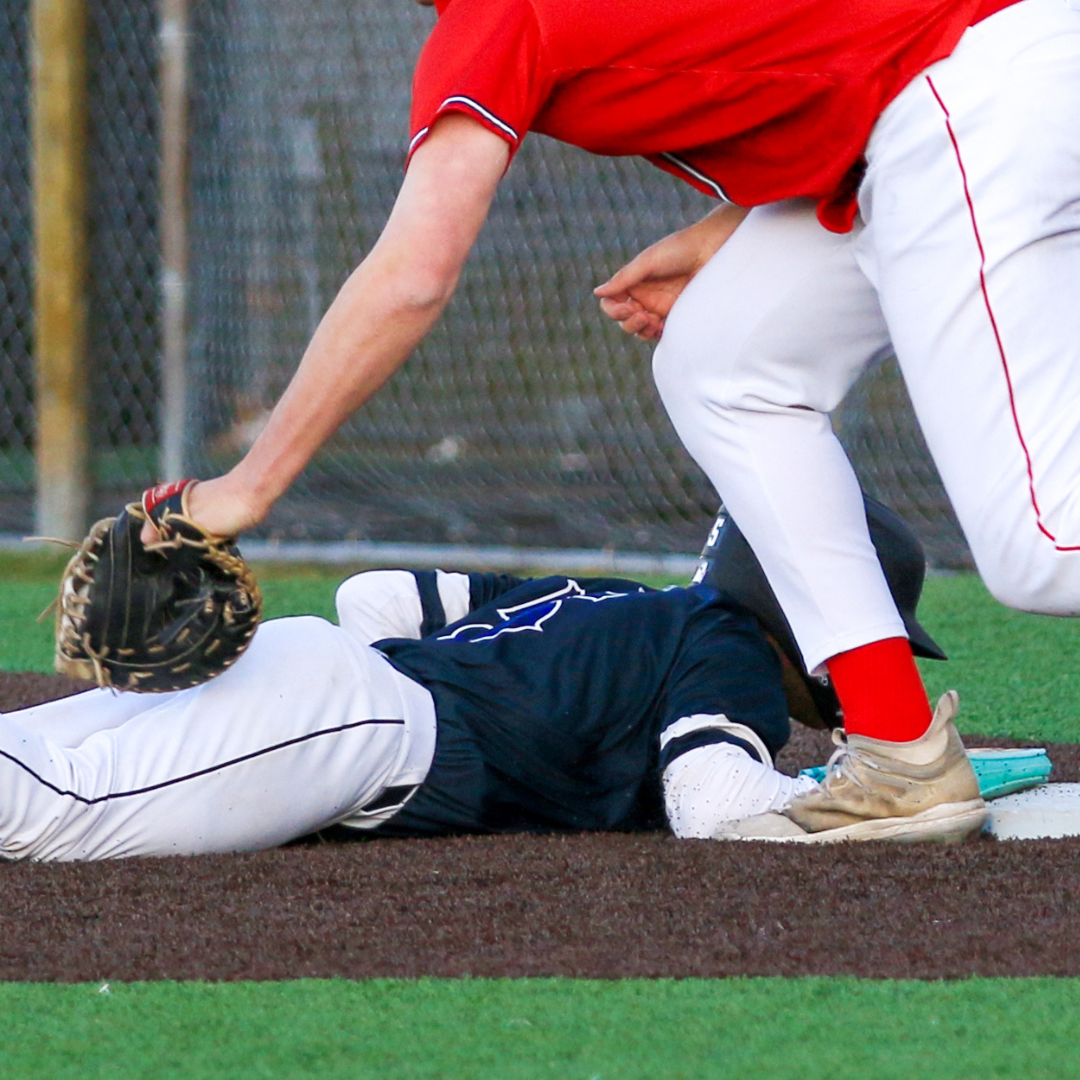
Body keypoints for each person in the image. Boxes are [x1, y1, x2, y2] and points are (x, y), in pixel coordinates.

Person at [141, 0, 1078, 840]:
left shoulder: (493, 20)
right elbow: (823, 45)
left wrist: (246, 487)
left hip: (978, 92)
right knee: (724, 361)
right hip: (919, 113)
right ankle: (900, 750)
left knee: (1039, 551)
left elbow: (413, 275)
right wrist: (726, 228)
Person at [1, 505, 983, 861]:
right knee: (56, 813)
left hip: (320, 679)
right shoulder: (731, 648)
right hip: (357, 727)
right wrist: (843, 797)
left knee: (33, 756)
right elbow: (715, 804)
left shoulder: (615, 601)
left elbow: (375, 597)